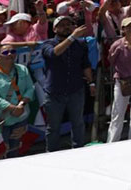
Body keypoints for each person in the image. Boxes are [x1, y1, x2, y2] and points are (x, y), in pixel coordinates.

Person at [40, 17, 93, 151]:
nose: (66, 27)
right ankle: (51, 154)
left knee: (78, 124)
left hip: (76, 90)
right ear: (54, 29)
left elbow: (85, 65)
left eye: (69, 24)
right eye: (62, 25)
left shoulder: (80, 44)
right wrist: (72, 38)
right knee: (53, 127)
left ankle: (78, 151)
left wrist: (91, 83)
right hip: (55, 93)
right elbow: (54, 53)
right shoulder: (48, 43)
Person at [0, 45, 37, 156]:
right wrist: (12, 108)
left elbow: (30, 88)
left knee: (15, 151)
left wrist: (21, 105)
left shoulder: (22, 69)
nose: (10, 54)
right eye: (5, 52)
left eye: (13, 51)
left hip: (20, 118)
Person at [107, 17, 131, 142]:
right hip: (122, 81)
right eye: (127, 27)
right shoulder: (116, 45)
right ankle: (112, 142)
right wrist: (116, 52)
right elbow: (110, 62)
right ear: (122, 29)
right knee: (118, 113)